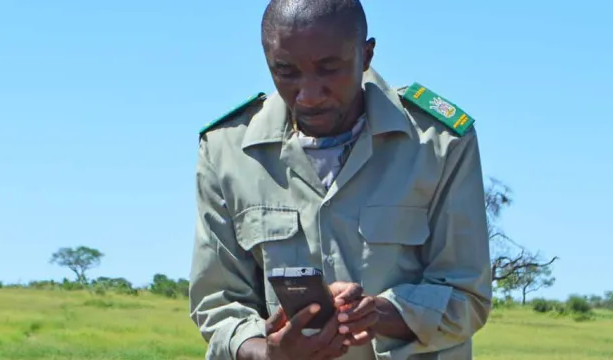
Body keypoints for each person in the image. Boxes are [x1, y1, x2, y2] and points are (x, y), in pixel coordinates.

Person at [187, 0, 492, 359]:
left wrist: (376, 313)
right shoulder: (227, 150)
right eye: (286, 72)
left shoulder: (439, 144)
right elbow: (218, 302)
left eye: (329, 69)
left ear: (366, 55)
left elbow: (466, 296)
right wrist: (269, 353)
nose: (309, 95)